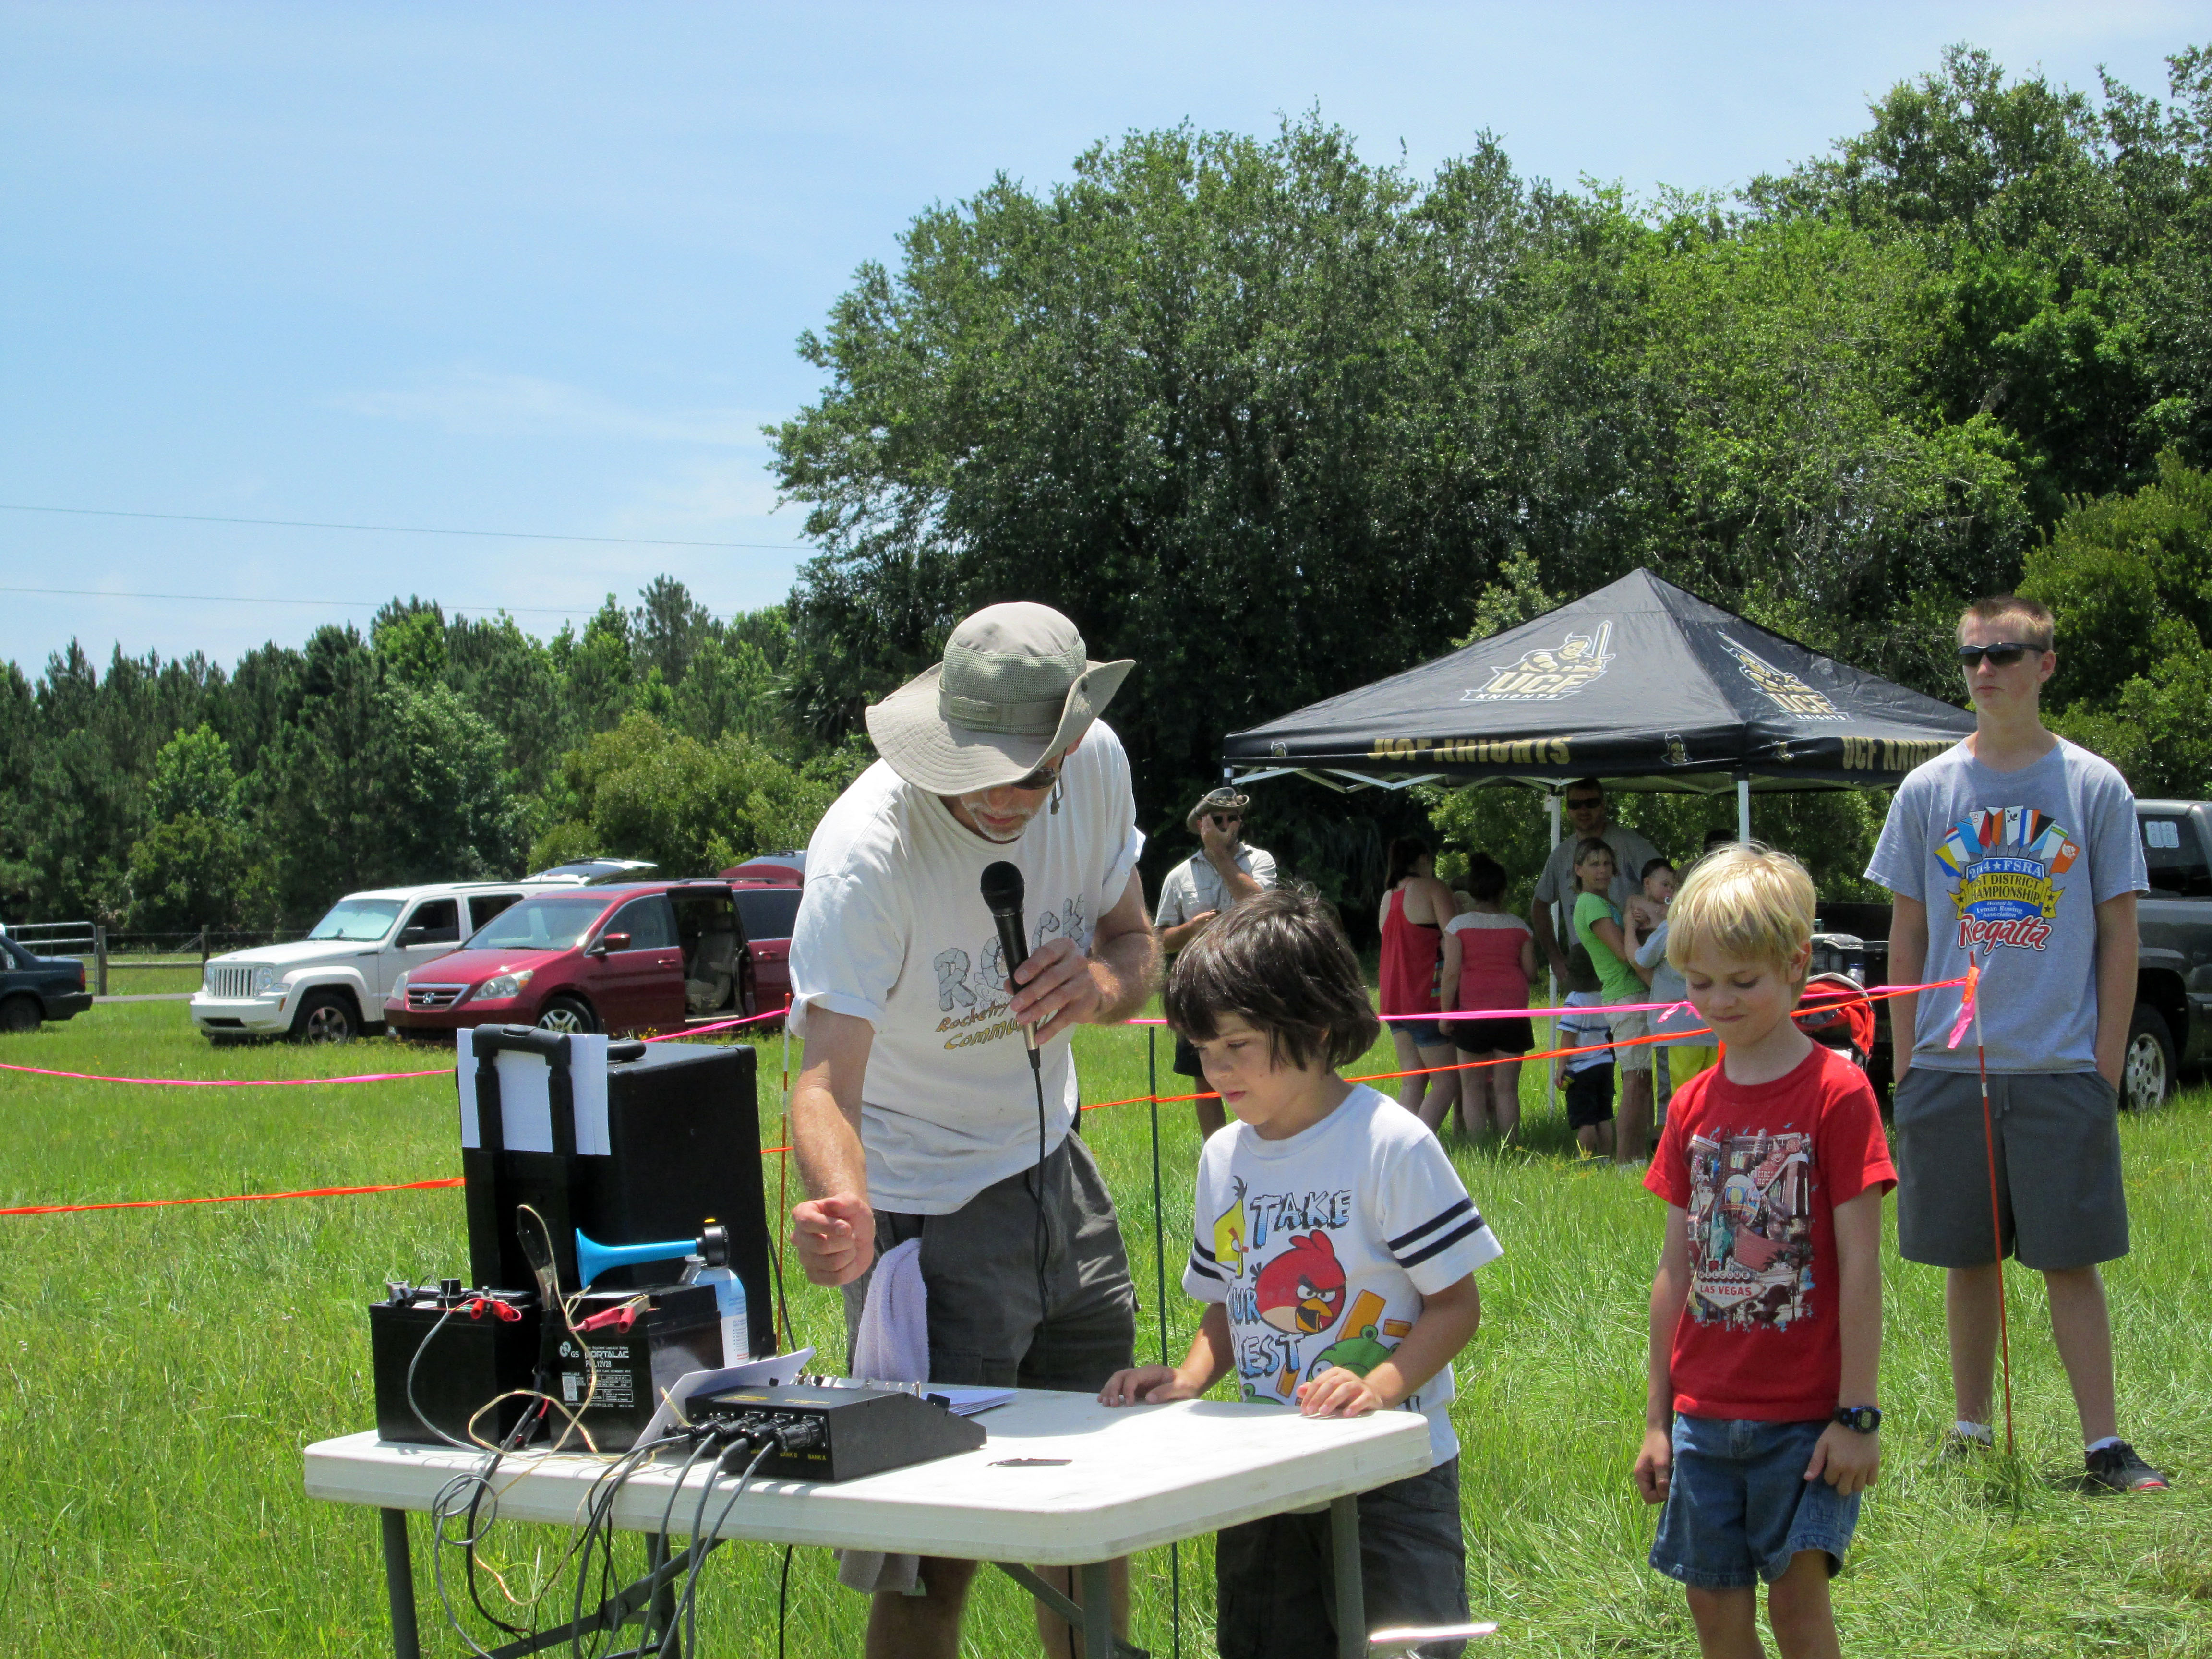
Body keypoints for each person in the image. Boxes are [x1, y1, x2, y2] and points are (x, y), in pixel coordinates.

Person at [784, 601, 1163, 1658]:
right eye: (967, 770)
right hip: (923, 1214)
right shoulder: (865, 851)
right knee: (932, 1546)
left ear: (1071, 746)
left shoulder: (1100, 769)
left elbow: (1136, 944)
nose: (996, 799)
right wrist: (844, 1208)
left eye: (1024, 777)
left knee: (1092, 1501)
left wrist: (1098, 986)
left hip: (1057, 1172)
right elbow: (822, 1080)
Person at [1099, 886, 1503, 1659]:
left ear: (1315, 1027)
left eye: (1238, 1045)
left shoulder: (1390, 1144)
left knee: (1402, 1650)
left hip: (1391, 1474)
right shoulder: (1222, 1158)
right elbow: (1231, 1303)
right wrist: (1188, 1378)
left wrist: (1378, 1388)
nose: (1217, 1070)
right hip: (1265, 1470)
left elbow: (1456, 1307)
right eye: (1203, 1050)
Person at [1866, 593, 2167, 1492]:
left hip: (2059, 1066)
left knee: (2069, 1260)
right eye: (1971, 656)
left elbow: (2120, 936)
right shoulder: (1927, 791)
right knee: (1966, 1258)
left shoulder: (2093, 787)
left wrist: (2104, 1064)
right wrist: (1906, 1062)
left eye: (2004, 653)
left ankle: (2103, 1446)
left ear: (2045, 664)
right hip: (1949, 1066)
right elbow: (1907, 934)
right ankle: (1969, 1432)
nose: (1984, 670)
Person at [1635, 843, 1894, 1659]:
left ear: (1795, 965)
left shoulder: (1839, 1094)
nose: (1718, 1001)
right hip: (1702, 1420)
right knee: (1713, 1610)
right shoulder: (1688, 1106)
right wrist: (1657, 1419)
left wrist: (1856, 1414)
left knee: (1797, 1609)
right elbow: (1673, 1271)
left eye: (1741, 981)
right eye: (1699, 981)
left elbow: (1861, 1266)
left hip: (1805, 1423)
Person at [1155, 786, 1278, 1138]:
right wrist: (1191, 930)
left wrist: (1220, 856)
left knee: (1259, 1070)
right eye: (1217, 819)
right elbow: (1161, 941)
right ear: (1201, 824)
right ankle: (1216, 1153)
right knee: (1206, 1077)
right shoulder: (1179, 876)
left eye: (1232, 818)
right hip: (1200, 987)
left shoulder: (1261, 861)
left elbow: (1264, 910)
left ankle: (1266, 1144)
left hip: (1251, 984)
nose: (1227, 825)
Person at [1439, 852, 1538, 1142]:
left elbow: (1451, 973)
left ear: (1473, 891)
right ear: (1503, 891)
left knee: (1472, 1087)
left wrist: (1446, 1014)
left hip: (1473, 1013)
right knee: (1507, 1088)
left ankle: (1478, 1145)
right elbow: (1531, 972)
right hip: (1513, 1013)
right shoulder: (1520, 927)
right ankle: (1511, 1145)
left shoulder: (1458, 927)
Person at [1570, 837, 1657, 1164]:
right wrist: (1635, 926)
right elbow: (1623, 953)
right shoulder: (1591, 904)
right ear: (1578, 869)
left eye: (1607, 863)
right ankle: (1625, 1160)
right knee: (1635, 1080)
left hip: (1633, 994)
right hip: (1626, 995)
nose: (1603, 870)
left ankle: (1637, 1157)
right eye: (1594, 864)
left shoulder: (1604, 903)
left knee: (1642, 1080)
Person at [1530, 778, 1662, 984]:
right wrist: (1555, 959)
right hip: (1583, 961)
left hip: (1626, 955)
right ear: (1567, 809)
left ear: (1603, 805)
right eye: (1575, 805)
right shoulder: (1560, 855)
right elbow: (1539, 905)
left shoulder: (1632, 845)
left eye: (1591, 803)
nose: (1583, 810)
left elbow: (1666, 885)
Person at [1377, 836, 1461, 1130]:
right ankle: (1418, 1146)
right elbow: (1456, 937)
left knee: (1413, 1081)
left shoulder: (1388, 897)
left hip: (1394, 1002)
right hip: (1426, 998)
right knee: (1447, 1083)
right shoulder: (1433, 888)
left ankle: (1396, 1145)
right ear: (1424, 858)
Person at [1630, 858, 1714, 1095]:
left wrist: (1629, 927)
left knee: (1675, 1101)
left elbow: (1642, 959)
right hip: (1712, 1027)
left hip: (1675, 1029)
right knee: (1709, 1099)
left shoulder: (1673, 927)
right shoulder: (1719, 926)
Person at [1555, 946, 1616, 1158]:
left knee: (1586, 1122)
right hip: (1605, 1064)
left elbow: (1568, 1037)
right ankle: (1606, 1159)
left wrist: (1561, 1067)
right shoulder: (1604, 996)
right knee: (1604, 1117)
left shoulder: (1575, 1000)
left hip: (1581, 1070)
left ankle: (1584, 1161)